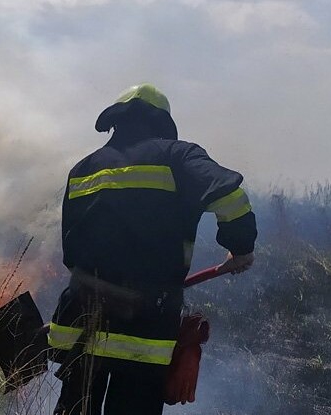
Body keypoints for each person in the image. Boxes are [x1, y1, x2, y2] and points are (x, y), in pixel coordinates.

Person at [49, 84, 257, 414]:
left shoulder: (83, 169)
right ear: (162, 123)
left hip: (79, 321)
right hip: (143, 331)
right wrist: (241, 247)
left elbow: (70, 252)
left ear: (117, 122)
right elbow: (230, 196)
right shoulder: (178, 156)